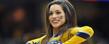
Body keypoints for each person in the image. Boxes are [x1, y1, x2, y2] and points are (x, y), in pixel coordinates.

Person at [26, 0, 94, 44]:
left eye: (58, 13)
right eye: (50, 14)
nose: (54, 16)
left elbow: (88, 31)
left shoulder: (70, 32)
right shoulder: (44, 39)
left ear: (67, 15)